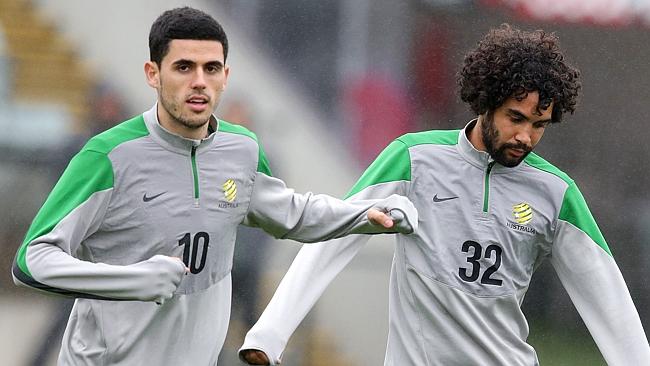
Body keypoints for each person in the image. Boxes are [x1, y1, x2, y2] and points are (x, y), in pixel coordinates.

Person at [10, 7, 418, 366]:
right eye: (184, 67)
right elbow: (32, 261)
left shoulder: (242, 149)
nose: (200, 81)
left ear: (226, 75)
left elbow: (292, 213)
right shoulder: (107, 155)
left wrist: (362, 214)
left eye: (211, 68)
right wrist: (132, 280)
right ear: (153, 74)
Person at [239, 24, 650, 365]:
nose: (526, 136)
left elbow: (606, 293)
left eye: (539, 124)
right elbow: (334, 238)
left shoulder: (557, 192)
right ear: (485, 102)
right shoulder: (413, 158)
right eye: (516, 118)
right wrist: (270, 334)